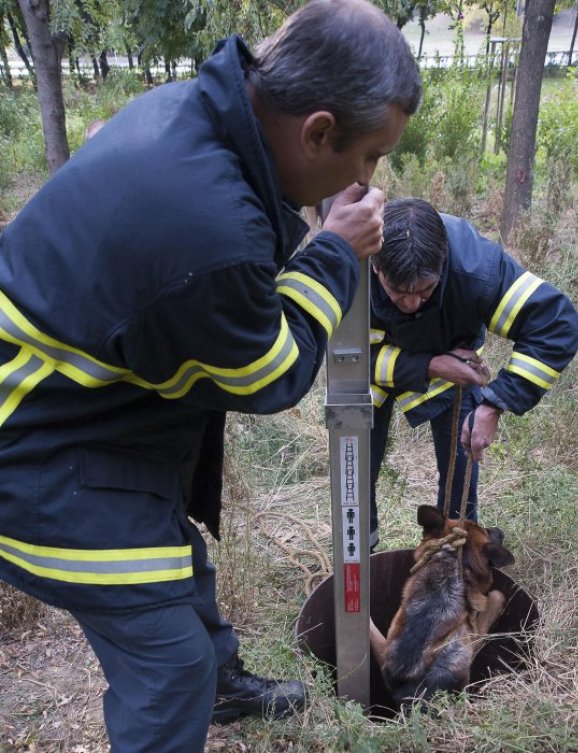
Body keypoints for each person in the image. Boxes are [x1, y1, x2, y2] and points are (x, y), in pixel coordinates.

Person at [0, 1, 421, 751]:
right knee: (168, 666)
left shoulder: (193, 111)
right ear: (317, 130)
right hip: (36, 458)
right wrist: (332, 252)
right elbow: (270, 374)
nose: (367, 177)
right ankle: (197, 684)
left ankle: (220, 686)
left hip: (79, 410)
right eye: (369, 156)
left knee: (176, 561)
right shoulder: (206, 231)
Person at [369, 198, 578, 550]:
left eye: (425, 291)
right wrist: (428, 364)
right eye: (397, 293)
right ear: (376, 267)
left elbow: (558, 326)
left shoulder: (476, 270)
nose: (411, 304)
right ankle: (359, 560)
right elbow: (338, 355)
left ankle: (452, 556)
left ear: (443, 264)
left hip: (452, 375)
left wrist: (493, 404)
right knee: (355, 477)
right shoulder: (351, 262)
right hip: (367, 376)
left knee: (460, 481)